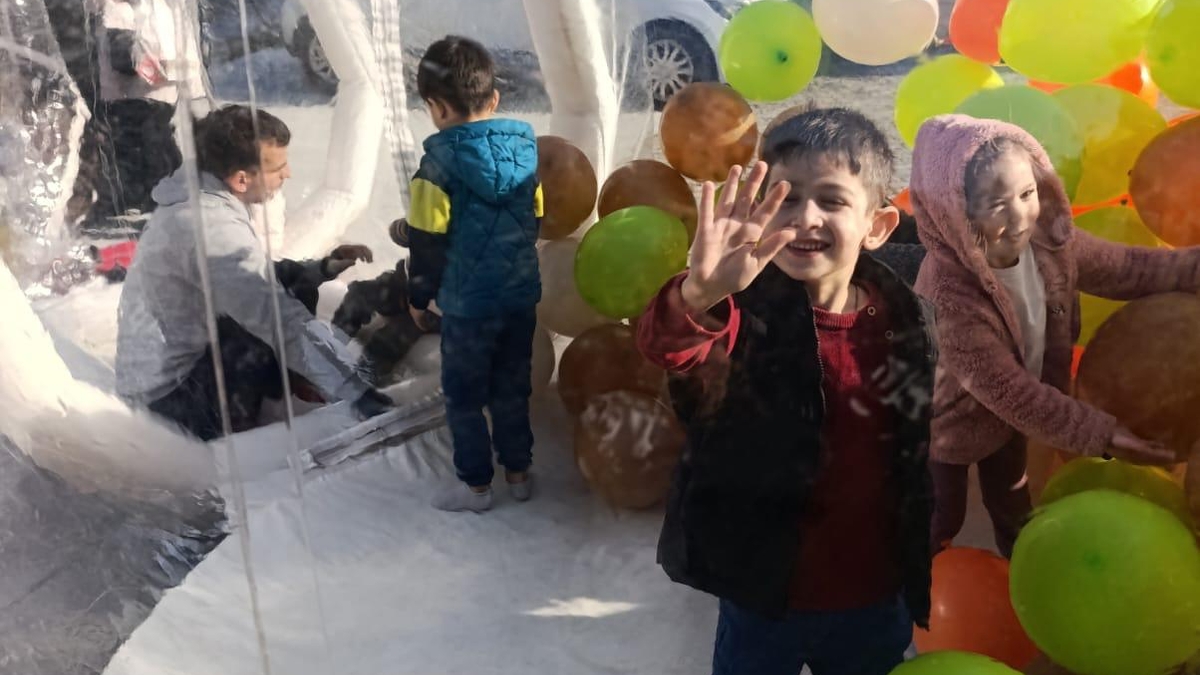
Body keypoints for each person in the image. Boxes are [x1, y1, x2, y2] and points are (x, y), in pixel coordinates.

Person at [637, 108, 938, 675]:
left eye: (832, 200)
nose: (804, 218)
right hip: (762, 594)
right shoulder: (740, 313)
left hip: (870, 594)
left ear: (877, 226)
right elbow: (671, 348)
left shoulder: (905, 321)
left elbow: (911, 435)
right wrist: (699, 293)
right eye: (786, 198)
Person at [910, 114, 1196, 557]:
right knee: (941, 514)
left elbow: (1130, 270)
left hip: (1010, 422)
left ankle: (1020, 573)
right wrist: (1102, 434)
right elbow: (1013, 394)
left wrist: (1193, 266)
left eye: (1027, 194)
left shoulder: (1050, 243)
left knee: (1011, 503)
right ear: (954, 209)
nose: (1020, 216)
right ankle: (899, 581)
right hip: (947, 420)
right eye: (995, 204)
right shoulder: (949, 297)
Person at [115, 104, 391, 441]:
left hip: (165, 374)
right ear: (241, 179)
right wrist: (359, 393)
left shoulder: (202, 197)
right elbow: (277, 319)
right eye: (278, 168)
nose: (287, 175)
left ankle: (299, 384)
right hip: (169, 404)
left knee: (286, 287)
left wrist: (321, 269)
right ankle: (242, 434)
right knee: (266, 324)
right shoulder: (210, 226)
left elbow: (246, 275)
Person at [401, 36, 543, 512]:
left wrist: (418, 299)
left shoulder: (435, 168)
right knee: (511, 387)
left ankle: (476, 486)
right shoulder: (527, 157)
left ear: (436, 107)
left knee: (463, 397)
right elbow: (535, 219)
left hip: (467, 307)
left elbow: (426, 245)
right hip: (519, 298)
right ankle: (519, 473)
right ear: (495, 98)